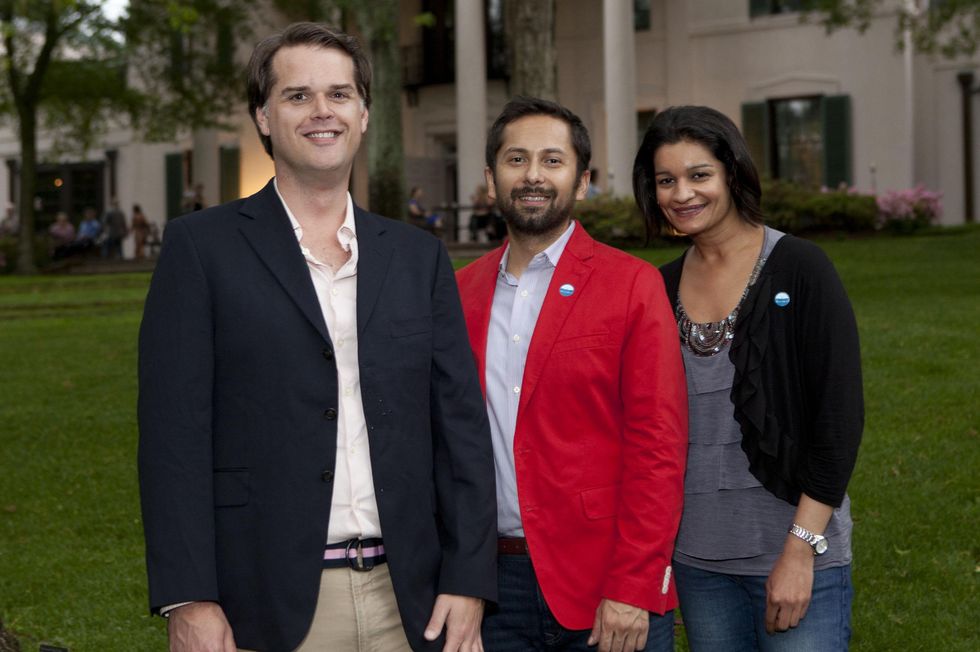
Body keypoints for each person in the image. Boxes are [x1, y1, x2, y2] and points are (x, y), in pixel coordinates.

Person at [138, 22, 496, 652]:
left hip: (410, 599)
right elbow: (175, 437)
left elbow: (460, 429)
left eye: (339, 94)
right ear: (264, 117)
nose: (321, 111)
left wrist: (469, 578)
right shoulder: (201, 249)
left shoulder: (418, 257)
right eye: (297, 95)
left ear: (363, 114)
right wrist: (190, 597)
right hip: (265, 601)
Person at [455, 96, 689, 652]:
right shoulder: (458, 292)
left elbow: (658, 446)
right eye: (516, 159)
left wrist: (633, 585)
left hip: (604, 584)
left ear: (583, 182)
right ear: (491, 179)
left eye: (552, 161)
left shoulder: (631, 284)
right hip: (489, 588)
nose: (533, 175)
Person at [632, 105, 863, 651]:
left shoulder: (801, 268)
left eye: (699, 175)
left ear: (732, 173)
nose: (682, 193)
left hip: (795, 551)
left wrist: (801, 549)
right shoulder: (656, 288)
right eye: (667, 180)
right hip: (698, 563)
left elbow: (839, 418)